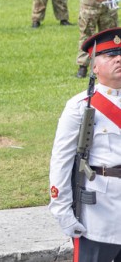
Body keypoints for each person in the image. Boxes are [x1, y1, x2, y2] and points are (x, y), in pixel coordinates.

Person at [49, 27, 121, 261]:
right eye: (110, 55)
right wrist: (62, 210)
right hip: (100, 213)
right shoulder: (80, 106)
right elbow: (62, 160)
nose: (119, 59)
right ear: (95, 66)